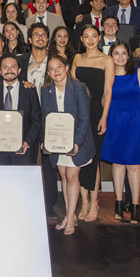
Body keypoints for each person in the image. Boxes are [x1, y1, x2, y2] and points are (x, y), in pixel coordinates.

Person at [100, 43, 140, 224]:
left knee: (134, 166)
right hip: (115, 122)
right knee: (117, 165)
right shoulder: (107, 75)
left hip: (136, 124)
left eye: (123, 53)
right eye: (115, 53)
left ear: (129, 56)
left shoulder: (138, 73)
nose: (119, 57)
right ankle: (118, 204)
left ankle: (135, 207)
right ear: (110, 56)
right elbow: (104, 98)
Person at [41, 55, 95, 236]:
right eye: (51, 69)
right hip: (57, 142)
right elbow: (46, 119)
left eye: (59, 67)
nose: (55, 71)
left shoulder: (78, 88)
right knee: (63, 176)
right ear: (48, 72)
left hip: (76, 141)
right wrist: (46, 141)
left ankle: (70, 218)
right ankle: (69, 215)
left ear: (66, 67)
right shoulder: (46, 90)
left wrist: (77, 143)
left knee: (72, 176)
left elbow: (84, 119)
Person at [72, 25, 114, 221]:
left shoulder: (107, 60)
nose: (90, 40)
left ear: (99, 38)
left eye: (94, 36)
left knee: (94, 158)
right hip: (79, 114)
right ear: (81, 38)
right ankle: (84, 200)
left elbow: (108, 91)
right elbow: (71, 86)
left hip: (97, 112)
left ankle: (94, 201)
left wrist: (104, 116)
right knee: (80, 157)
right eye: (86, 36)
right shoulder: (77, 59)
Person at [0, 56, 41, 165]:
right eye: (5, 67)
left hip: (23, 150)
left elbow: (36, 120)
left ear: (19, 70)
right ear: (0, 71)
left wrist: (27, 142)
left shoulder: (30, 91)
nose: (9, 70)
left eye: (13, 67)